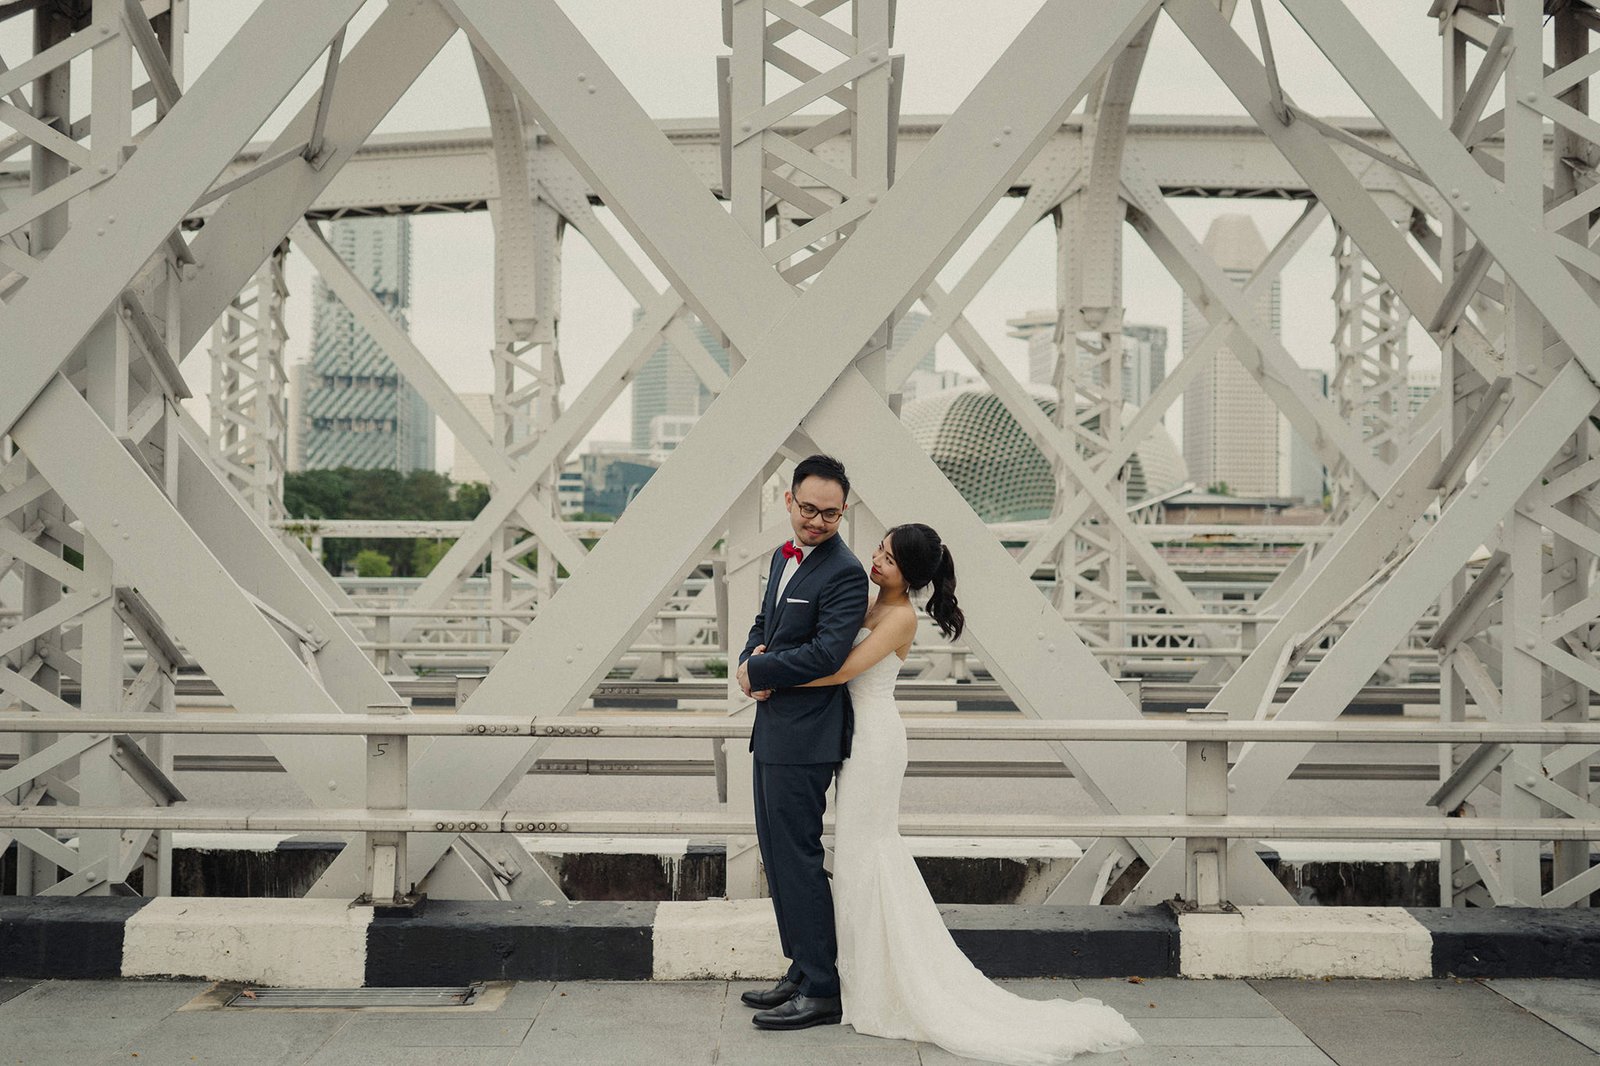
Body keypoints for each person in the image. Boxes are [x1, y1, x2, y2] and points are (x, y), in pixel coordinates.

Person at [751, 522, 1143, 1062]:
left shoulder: (900, 617)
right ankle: (838, 976)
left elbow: (838, 670)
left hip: (874, 743)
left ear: (910, 575)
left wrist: (767, 675)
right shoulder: (871, 602)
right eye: (880, 549)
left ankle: (869, 984)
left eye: (889, 558)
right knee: (858, 858)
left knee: (869, 855)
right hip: (850, 738)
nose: (876, 559)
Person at [735, 455, 870, 1031]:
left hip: (808, 735)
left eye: (829, 514)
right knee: (777, 855)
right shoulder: (780, 556)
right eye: (808, 508)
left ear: (845, 511)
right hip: (774, 729)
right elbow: (765, 623)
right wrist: (748, 659)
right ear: (788, 500)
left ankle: (822, 987)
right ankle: (800, 968)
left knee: (799, 859)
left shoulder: (846, 572)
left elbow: (828, 654)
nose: (816, 521)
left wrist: (760, 673)